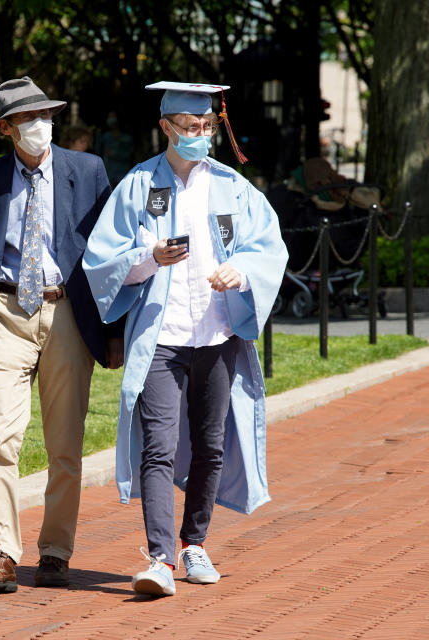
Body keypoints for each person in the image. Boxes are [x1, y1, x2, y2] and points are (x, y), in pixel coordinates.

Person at [83, 81, 288, 597]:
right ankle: (158, 558)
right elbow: (102, 262)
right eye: (190, 127)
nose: (200, 135)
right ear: (166, 128)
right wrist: (149, 257)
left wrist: (240, 270)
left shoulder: (233, 187)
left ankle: (194, 544)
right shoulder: (136, 186)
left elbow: (268, 248)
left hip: (216, 336)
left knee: (211, 448)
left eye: (207, 127)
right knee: (157, 446)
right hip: (161, 337)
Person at [0, 76, 124, 594]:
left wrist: (113, 334)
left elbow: (111, 257)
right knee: (0, 436)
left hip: (66, 312)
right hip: (5, 312)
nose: (41, 125)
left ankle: (55, 552)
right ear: (5, 129)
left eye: (46, 115)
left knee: (64, 445)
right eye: (28, 118)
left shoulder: (88, 172)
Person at [95, 111, 134, 186]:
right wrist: (98, 136)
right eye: (109, 117)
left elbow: (128, 155)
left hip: (123, 174)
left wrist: (113, 153)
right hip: (108, 174)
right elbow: (98, 151)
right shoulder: (105, 136)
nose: (111, 119)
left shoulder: (126, 138)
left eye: (113, 117)